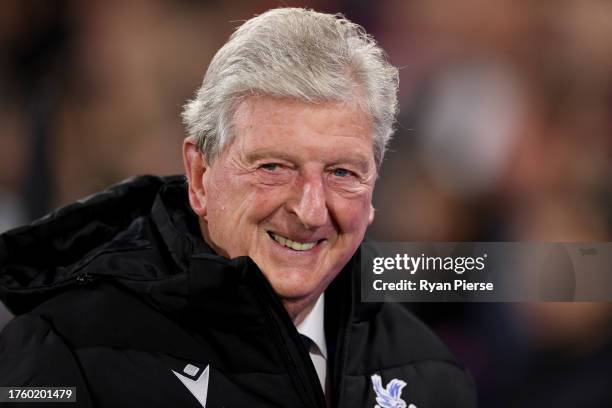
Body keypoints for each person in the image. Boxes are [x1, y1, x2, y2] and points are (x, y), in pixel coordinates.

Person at [0, 8, 476, 408]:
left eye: (342, 174)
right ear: (200, 175)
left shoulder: (431, 375)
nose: (311, 211)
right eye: (273, 167)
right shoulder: (65, 353)